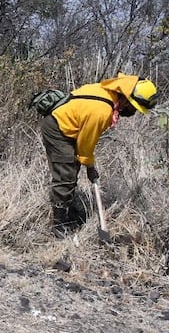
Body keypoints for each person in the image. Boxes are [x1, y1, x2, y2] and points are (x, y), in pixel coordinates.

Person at [39, 73, 157, 237]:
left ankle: (70, 212)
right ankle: (60, 225)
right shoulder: (102, 111)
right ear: (125, 98)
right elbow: (85, 145)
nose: (133, 112)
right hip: (57, 128)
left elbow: (84, 145)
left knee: (72, 170)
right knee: (65, 174)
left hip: (70, 127)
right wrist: (90, 167)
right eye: (133, 107)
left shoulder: (106, 92)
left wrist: (86, 163)